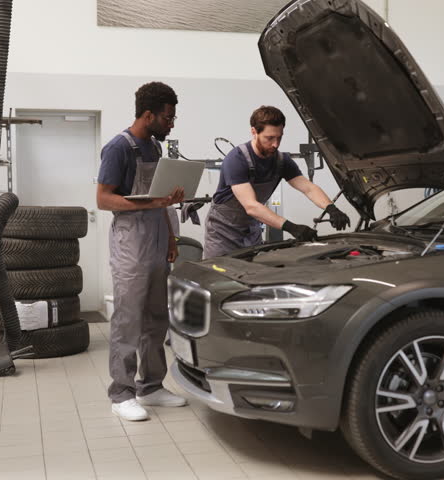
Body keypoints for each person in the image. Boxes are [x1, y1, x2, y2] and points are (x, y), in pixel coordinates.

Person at [96, 81, 188, 422]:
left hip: (157, 241)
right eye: (167, 117)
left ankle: (151, 386)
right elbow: (103, 199)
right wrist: (152, 202)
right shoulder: (118, 149)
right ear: (148, 115)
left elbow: (160, 199)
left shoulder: (154, 148)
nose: (171, 124)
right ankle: (121, 393)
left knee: (156, 319)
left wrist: (172, 238)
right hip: (131, 246)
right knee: (128, 320)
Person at [203, 106, 350, 258]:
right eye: (270, 138)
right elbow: (251, 206)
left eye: (279, 137)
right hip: (222, 234)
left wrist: (331, 208)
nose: (276, 144)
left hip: (251, 230)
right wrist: (291, 227)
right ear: (254, 132)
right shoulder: (237, 159)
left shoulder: (282, 161)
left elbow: (308, 188)